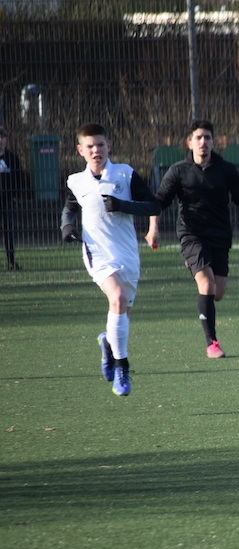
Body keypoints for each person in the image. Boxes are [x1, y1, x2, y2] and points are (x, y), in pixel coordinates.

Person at [60, 122, 160, 396]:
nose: (96, 150)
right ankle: (122, 367)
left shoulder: (125, 174)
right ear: (80, 150)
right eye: (90, 146)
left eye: (100, 145)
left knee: (122, 312)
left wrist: (121, 205)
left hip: (127, 253)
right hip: (98, 253)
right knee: (117, 298)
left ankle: (108, 343)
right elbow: (69, 209)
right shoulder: (76, 181)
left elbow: (154, 205)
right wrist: (67, 227)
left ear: (109, 146)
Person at [148, 119, 239, 359]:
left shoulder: (226, 169)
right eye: (198, 138)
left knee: (218, 292)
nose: (203, 142)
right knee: (206, 285)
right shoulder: (179, 170)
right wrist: (153, 229)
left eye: (207, 137)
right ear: (189, 143)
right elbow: (159, 201)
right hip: (192, 234)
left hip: (220, 235)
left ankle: (197, 266)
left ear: (213, 142)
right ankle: (212, 344)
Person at [0, 125, 28, 271]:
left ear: (6, 139)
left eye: (2, 137)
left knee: (9, 231)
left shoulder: (12, 158)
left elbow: (19, 178)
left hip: (8, 200)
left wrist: (17, 195)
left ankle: (11, 262)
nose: (0, 140)